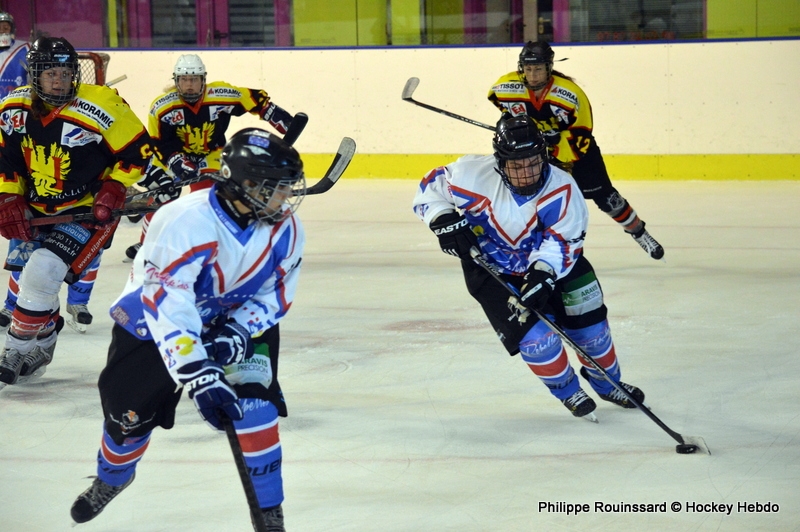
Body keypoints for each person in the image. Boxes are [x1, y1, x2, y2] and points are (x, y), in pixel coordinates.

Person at [70, 128, 306, 532]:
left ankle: (269, 512)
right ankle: (113, 477)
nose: (286, 199)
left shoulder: (286, 228)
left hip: (234, 318)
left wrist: (237, 331)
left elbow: (276, 295)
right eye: (276, 188)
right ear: (246, 185)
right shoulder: (185, 220)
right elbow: (168, 303)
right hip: (152, 320)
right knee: (126, 420)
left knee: (255, 411)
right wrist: (197, 370)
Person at [412, 115, 645, 421]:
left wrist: (543, 273)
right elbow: (430, 188)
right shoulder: (470, 174)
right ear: (499, 161)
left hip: (558, 267)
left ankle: (606, 381)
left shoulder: (564, 188)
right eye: (516, 166)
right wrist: (442, 218)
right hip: (493, 270)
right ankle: (566, 389)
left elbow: (565, 242)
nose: (526, 174)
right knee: (537, 341)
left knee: (593, 331)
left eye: (533, 163)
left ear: (544, 155)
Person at [0, 37, 153, 385]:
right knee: (34, 283)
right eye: (50, 72)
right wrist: (8, 197)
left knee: (42, 271)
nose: (59, 79)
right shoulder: (12, 107)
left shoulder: (103, 105)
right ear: (34, 75)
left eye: (66, 72)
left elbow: (139, 153)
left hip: (84, 212)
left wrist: (115, 186)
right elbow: (5, 158)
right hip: (35, 211)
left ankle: (14, 347)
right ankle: (47, 336)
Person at [488, 40, 664, 261]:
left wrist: (558, 140)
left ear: (549, 67)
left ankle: (639, 232)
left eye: (538, 69)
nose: (532, 75)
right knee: (538, 202)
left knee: (607, 197)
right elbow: (507, 112)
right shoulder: (507, 86)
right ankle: (540, 250)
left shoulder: (569, 94)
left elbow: (582, 135)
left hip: (578, 153)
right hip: (540, 155)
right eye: (528, 68)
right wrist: (509, 127)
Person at [124, 53, 299, 261]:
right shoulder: (162, 107)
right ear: (176, 81)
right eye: (184, 80)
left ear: (203, 80)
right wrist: (177, 162)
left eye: (194, 80)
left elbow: (253, 99)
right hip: (173, 157)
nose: (189, 85)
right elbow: (158, 143)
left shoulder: (220, 94)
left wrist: (271, 111)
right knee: (162, 197)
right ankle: (146, 243)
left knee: (210, 196)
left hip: (211, 153)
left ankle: (215, 240)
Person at [0, 12, 28, 99]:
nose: (2, 31)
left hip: (16, 105)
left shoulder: (26, 49)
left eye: (6, 28)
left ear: (11, 29)